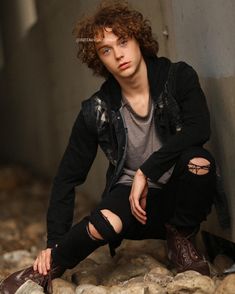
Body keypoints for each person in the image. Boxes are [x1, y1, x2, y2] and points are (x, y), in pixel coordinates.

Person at [0, 2, 218, 293]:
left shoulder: (177, 77)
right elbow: (67, 177)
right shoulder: (97, 109)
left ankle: (181, 237)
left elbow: (199, 129)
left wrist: (146, 170)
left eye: (123, 41)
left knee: (199, 162)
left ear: (138, 39)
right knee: (101, 224)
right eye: (106, 50)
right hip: (133, 204)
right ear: (99, 59)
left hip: (179, 195)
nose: (118, 54)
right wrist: (54, 243)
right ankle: (49, 267)